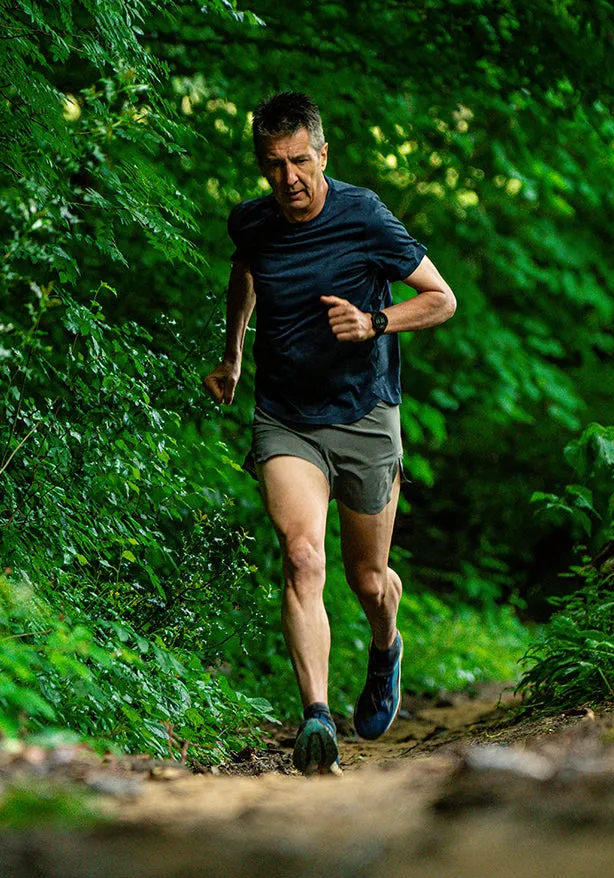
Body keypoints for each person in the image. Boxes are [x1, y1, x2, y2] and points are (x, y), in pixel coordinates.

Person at [204, 92, 456, 776]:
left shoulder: (364, 216)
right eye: (272, 165)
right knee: (302, 555)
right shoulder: (253, 222)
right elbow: (244, 275)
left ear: (322, 155)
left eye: (298, 162)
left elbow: (440, 298)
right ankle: (316, 716)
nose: (287, 179)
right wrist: (232, 353)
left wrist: (375, 322)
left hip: (366, 412)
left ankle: (385, 647)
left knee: (368, 578)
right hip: (287, 416)